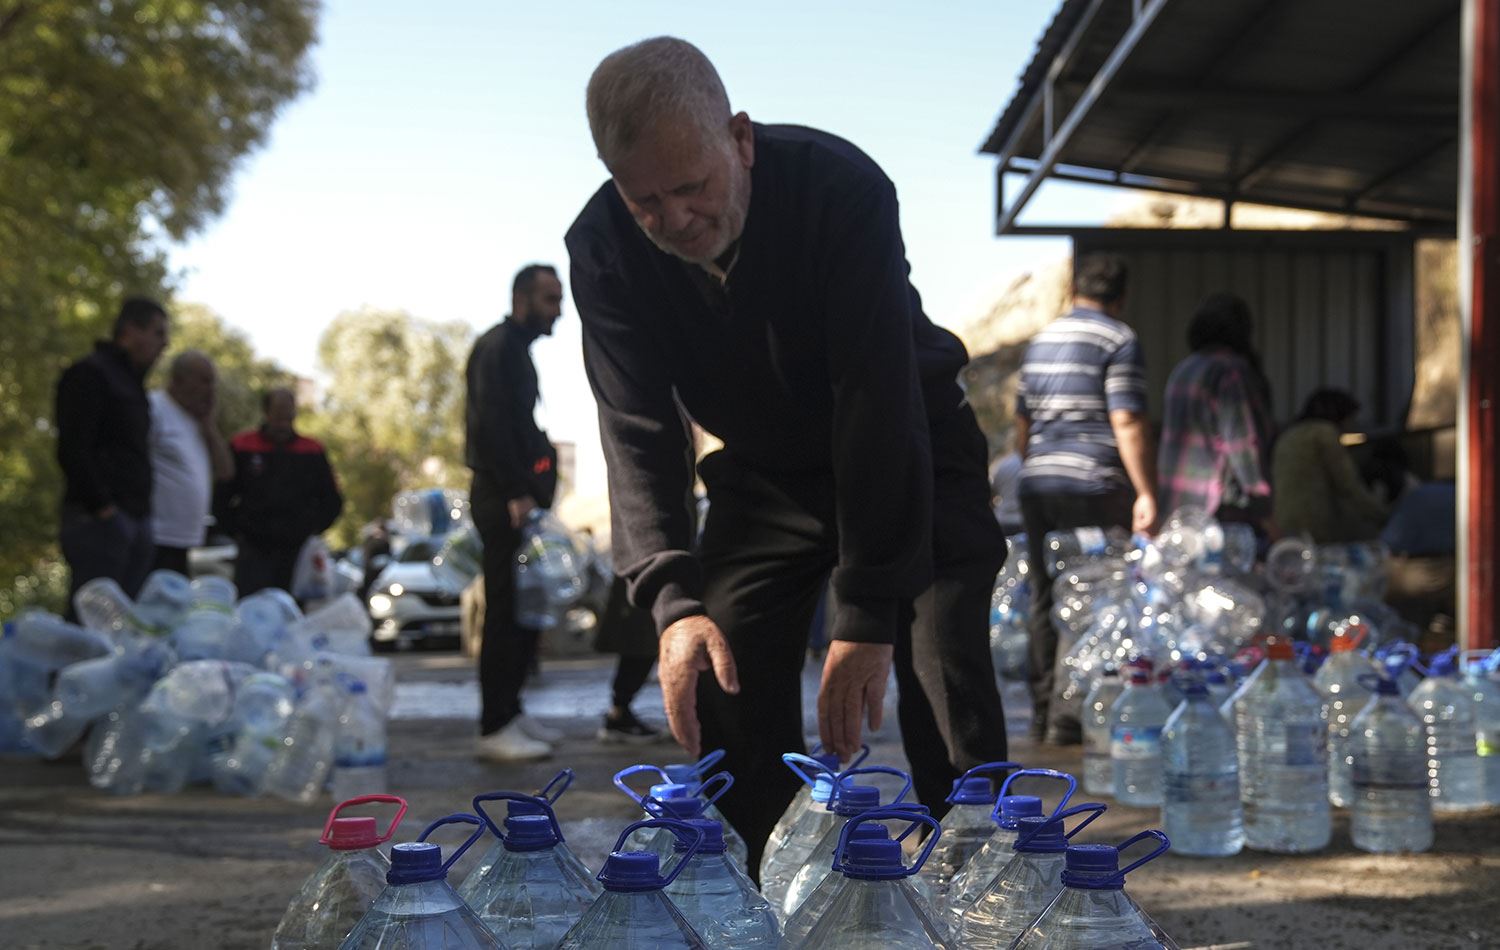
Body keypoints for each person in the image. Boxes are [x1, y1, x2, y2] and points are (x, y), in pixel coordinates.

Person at [567, 37, 1009, 864]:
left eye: (692, 187)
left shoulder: (838, 189)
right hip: (766, 470)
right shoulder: (600, 248)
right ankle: (769, 885)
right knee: (723, 664)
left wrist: (867, 610)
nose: (675, 221)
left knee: (940, 662)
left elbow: (875, 398)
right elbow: (636, 424)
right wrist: (674, 599)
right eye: (645, 201)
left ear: (739, 139)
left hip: (909, 442)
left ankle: (977, 873)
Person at [1014, 253, 1156, 745]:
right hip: (1093, 486)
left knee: (1043, 597)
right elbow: (1127, 421)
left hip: (1037, 483)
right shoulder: (1118, 339)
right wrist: (1145, 491)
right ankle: (1074, 719)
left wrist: (1040, 465)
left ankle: (1042, 714)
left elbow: (1022, 426)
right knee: (1093, 596)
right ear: (1120, 297)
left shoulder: (1040, 341)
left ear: (1076, 290)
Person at [465, 264, 566, 762]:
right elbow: (490, 424)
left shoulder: (516, 352)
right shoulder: (498, 347)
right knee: (505, 613)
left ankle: (512, 709)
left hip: (518, 497)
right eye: (550, 300)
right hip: (502, 497)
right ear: (522, 299)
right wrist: (514, 491)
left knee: (526, 609)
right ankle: (494, 722)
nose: (559, 311)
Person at [55, 297, 170, 606]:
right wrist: (104, 509)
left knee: (124, 626)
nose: (164, 344)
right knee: (91, 622)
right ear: (131, 330)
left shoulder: (133, 385)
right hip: (100, 522)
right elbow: (73, 449)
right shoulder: (90, 375)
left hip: (134, 519)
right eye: (158, 334)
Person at [1156, 292, 1276, 535]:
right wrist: (1266, 512)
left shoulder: (1183, 369)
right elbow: (1244, 446)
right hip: (1217, 512)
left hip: (1177, 509)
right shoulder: (1231, 372)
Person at [217, 387, 343, 595]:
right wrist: (237, 530)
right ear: (267, 412)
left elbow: (331, 499)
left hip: (296, 550)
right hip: (254, 548)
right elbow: (222, 494)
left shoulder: (311, 450)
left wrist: (310, 529)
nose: (283, 423)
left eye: (288, 416)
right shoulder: (243, 446)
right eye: (279, 416)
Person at [147, 350, 234, 575]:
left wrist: (209, 427)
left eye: (213, 382)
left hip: (185, 539)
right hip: (156, 535)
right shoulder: (154, 408)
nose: (211, 389)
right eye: (205, 381)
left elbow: (225, 471)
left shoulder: (197, 422)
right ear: (179, 379)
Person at [1272, 388, 1387, 543]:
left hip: (1284, 523)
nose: (1353, 425)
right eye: (1351, 419)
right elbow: (1348, 485)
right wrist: (1383, 515)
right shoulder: (1324, 434)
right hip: (1313, 525)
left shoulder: (1290, 434)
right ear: (1340, 416)